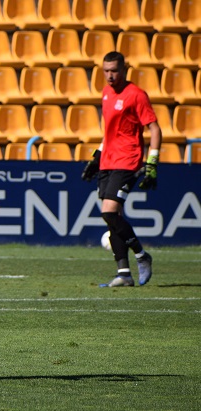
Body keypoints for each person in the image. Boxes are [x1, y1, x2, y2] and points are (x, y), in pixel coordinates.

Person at [82, 51, 162, 288]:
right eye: (105, 71)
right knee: (113, 219)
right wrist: (96, 157)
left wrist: (152, 163)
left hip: (128, 160)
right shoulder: (106, 93)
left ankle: (141, 255)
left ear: (124, 70)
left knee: (108, 212)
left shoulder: (136, 95)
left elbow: (155, 130)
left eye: (114, 71)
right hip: (108, 160)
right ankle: (124, 274)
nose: (109, 75)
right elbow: (110, 130)